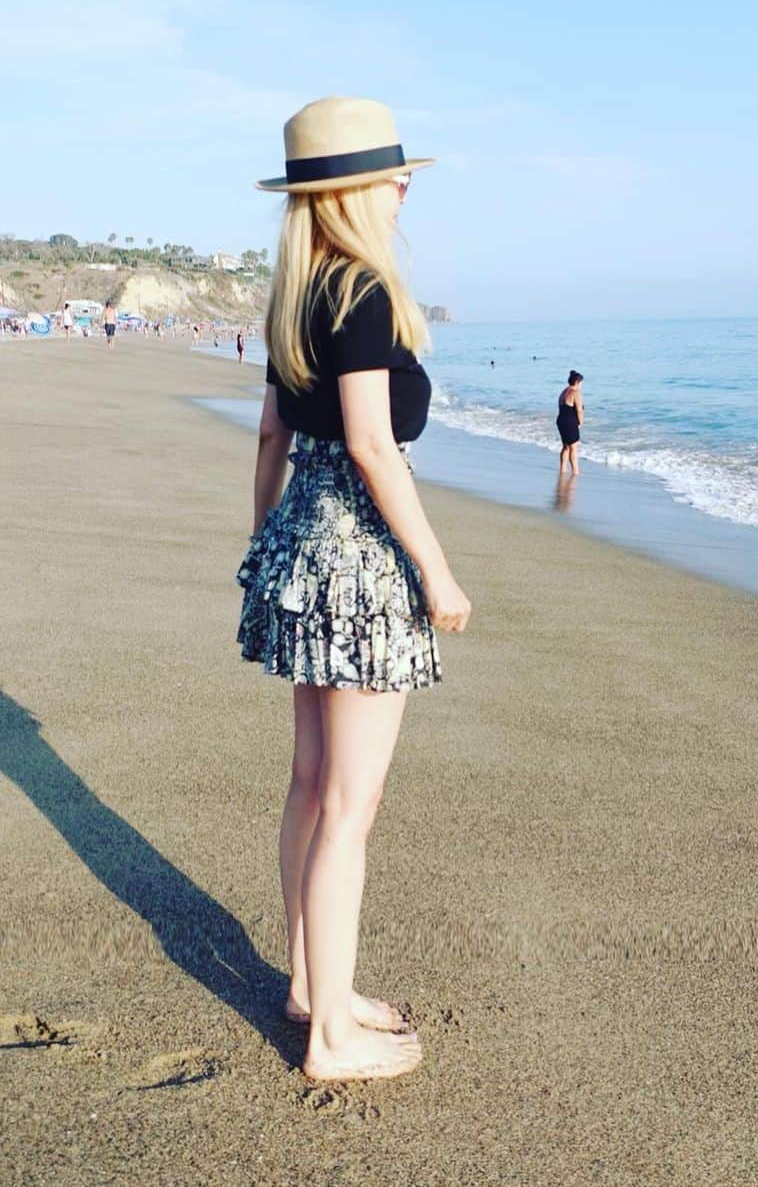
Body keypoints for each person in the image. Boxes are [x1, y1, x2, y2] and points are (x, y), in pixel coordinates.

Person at [236, 97, 471, 1085]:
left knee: (309, 785)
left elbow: (272, 438)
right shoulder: (363, 293)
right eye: (393, 174)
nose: (405, 185)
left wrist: (264, 546)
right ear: (354, 191)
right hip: (360, 559)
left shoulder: (295, 292)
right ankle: (330, 1039)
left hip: (300, 545)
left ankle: (312, 988)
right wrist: (436, 567)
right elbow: (374, 446)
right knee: (348, 807)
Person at [556, 370, 585, 475]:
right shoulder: (575, 393)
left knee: (565, 446)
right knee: (573, 447)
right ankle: (575, 471)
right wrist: (581, 423)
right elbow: (579, 410)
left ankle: (563, 469)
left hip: (560, 420)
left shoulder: (563, 392)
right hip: (569, 422)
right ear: (577, 382)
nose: (581, 385)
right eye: (581, 383)